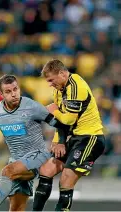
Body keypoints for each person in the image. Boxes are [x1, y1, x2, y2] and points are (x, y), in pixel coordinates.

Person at [0, 75, 69, 211]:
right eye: (8, 92)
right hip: (17, 161)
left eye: (15, 89)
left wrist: (61, 142)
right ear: (2, 94)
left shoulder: (32, 107)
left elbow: (60, 125)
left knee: (7, 171)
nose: (14, 94)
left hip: (37, 157)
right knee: (16, 209)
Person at [33, 59, 105, 211]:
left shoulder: (76, 85)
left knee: (66, 179)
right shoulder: (58, 90)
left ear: (62, 73)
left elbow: (69, 118)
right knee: (46, 170)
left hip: (90, 138)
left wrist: (54, 110)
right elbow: (61, 121)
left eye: (51, 80)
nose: (50, 84)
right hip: (73, 138)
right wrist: (58, 141)